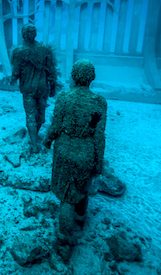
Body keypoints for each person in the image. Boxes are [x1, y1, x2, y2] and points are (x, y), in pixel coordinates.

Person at [43, 59, 107, 259]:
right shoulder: (99, 103)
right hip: (86, 152)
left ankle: (63, 241)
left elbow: (55, 125)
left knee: (66, 198)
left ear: (73, 76)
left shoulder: (64, 98)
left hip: (64, 150)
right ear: (92, 77)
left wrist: (46, 141)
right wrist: (98, 163)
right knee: (82, 187)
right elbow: (99, 136)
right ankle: (80, 218)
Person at [10, 23, 58, 153]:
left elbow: (16, 72)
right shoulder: (44, 49)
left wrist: (12, 79)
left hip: (28, 88)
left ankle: (34, 143)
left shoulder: (18, 52)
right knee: (41, 113)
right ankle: (35, 135)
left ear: (23, 34)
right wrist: (53, 87)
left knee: (30, 114)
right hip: (42, 87)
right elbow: (52, 71)